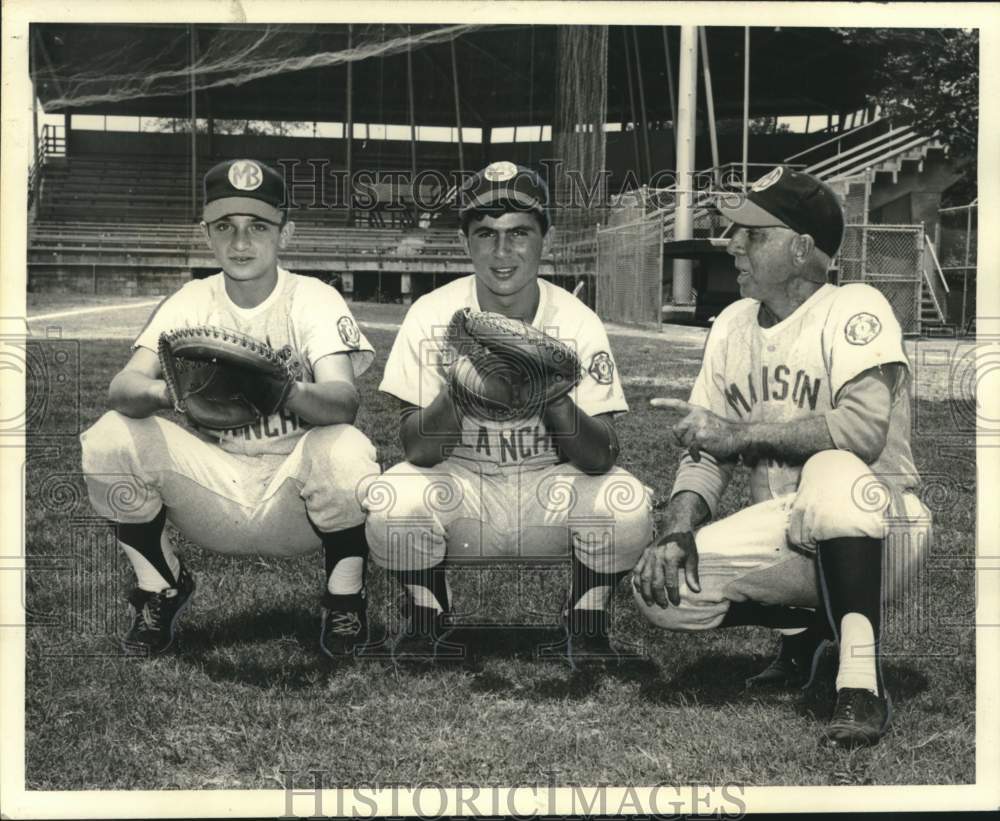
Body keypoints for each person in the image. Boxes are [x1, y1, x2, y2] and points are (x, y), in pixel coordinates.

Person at [632, 166, 931, 747]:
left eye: (753, 233)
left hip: (881, 523)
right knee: (667, 596)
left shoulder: (855, 306)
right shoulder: (733, 324)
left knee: (835, 470)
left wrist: (738, 435)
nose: (732, 244)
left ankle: (860, 683)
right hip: (791, 531)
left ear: (801, 249)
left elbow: (861, 431)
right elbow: (706, 451)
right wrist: (678, 529)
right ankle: (808, 633)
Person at [80, 159, 380, 659]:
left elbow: (343, 402)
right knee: (111, 437)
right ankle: (161, 587)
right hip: (217, 489)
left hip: (299, 497)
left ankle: (345, 599)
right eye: (226, 227)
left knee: (346, 447)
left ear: (285, 231)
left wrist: (279, 391)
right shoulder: (192, 299)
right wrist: (172, 394)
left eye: (257, 227)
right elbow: (123, 386)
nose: (241, 243)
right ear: (207, 234)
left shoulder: (313, 298)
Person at [364, 161, 654, 663]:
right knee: (392, 500)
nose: (502, 252)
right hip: (464, 488)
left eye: (519, 232)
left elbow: (602, 454)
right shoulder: (433, 314)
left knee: (625, 506)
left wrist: (550, 393)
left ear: (547, 237)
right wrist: (462, 388)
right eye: (486, 234)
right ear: (465, 243)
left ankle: (587, 618)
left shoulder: (576, 321)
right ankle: (426, 611)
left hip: (547, 489)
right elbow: (414, 447)